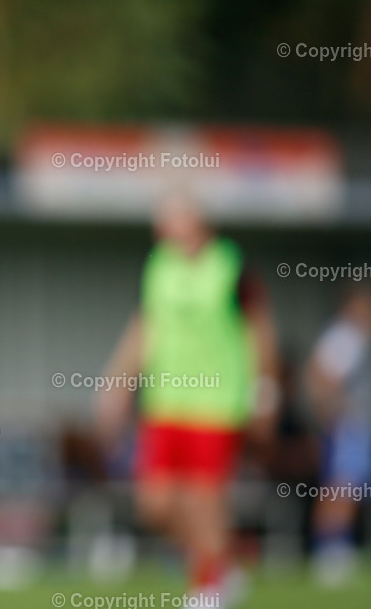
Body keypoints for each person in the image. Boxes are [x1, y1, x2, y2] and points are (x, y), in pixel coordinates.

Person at [97, 193, 279, 606]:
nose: (162, 226)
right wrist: (116, 384)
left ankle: (208, 585)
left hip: (216, 403)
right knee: (154, 505)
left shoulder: (231, 265)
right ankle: (224, 563)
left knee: (203, 499)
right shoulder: (158, 266)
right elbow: (144, 328)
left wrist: (265, 392)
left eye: (172, 216)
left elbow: (260, 329)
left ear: (197, 220)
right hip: (164, 402)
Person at [306, 285, 371, 587]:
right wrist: (333, 410)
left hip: (361, 423)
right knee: (342, 486)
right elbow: (320, 375)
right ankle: (330, 549)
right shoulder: (345, 336)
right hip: (352, 424)